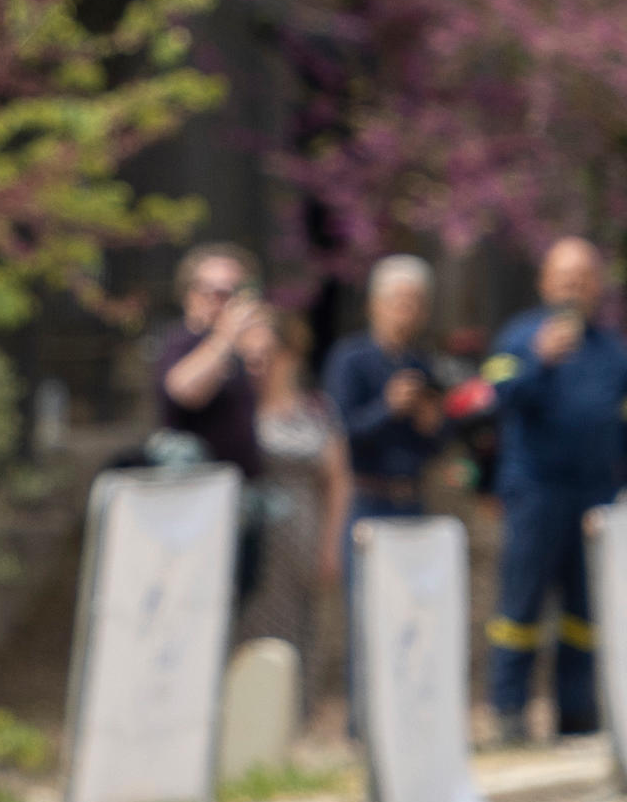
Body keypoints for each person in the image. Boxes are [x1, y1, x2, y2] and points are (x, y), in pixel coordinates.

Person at [481, 237, 627, 741]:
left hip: (593, 499)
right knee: (520, 606)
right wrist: (538, 361)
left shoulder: (613, 350)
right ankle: (509, 714)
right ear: (546, 283)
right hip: (534, 492)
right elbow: (495, 398)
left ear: (597, 287)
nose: (573, 286)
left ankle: (578, 714)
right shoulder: (517, 338)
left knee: (584, 613)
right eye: (564, 277)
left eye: (583, 277)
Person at [322, 254, 448, 735]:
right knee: (367, 615)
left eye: (416, 302)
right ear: (376, 304)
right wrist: (388, 407)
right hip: (367, 500)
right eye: (399, 300)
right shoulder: (351, 359)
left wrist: (429, 423)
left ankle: (408, 717)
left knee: (412, 614)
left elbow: (435, 444)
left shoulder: (421, 364)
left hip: (411, 499)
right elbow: (343, 432)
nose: (407, 311)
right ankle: (364, 725)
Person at [235, 309, 352, 709]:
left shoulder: (316, 409)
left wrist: (332, 545)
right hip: (247, 536)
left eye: (266, 354)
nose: (258, 364)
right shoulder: (233, 410)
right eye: (247, 356)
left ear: (289, 354)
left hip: (301, 529)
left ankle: (295, 719)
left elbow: (337, 479)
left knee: (299, 630)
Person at [155, 242, 271, 480]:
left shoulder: (241, 346)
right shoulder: (182, 341)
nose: (218, 301)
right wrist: (226, 336)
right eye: (209, 290)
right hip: (196, 491)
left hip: (241, 486)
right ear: (189, 294)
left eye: (230, 292)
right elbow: (184, 389)